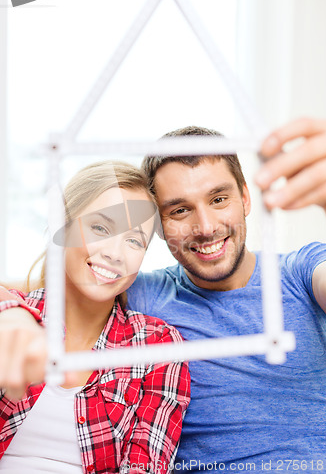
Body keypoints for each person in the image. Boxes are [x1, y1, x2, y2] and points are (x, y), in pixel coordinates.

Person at [124, 117, 326, 473]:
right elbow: (45, 300)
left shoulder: (302, 270)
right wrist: (15, 315)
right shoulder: (143, 296)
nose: (205, 228)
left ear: (246, 197)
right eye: (180, 210)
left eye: (218, 199)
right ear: (158, 225)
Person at [0, 160, 190, 474]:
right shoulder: (13, 316)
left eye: (134, 240)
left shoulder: (158, 346)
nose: (115, 253)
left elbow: (147, 466)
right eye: (100, 228)